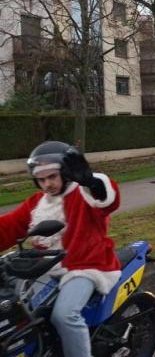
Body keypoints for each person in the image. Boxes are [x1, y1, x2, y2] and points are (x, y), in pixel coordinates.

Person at [0, 141, 121, 357]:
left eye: (52, 177)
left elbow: (106, 200)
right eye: (41, 179)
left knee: (64, 315)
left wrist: (93, 183)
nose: (47, 184)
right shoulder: (37, 202)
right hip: (44, 267)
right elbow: (8, 227)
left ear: (66, 174)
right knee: (19, 307)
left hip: (85, 266)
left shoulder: (83, 194)